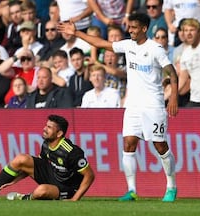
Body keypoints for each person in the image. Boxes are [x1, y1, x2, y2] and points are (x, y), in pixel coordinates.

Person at [58, 12, 179, 201]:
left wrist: (173, 99)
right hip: (133, 105)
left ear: (144, 29)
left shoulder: (156, 49)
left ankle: (171, 187)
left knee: (160, 145)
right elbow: (101, 43)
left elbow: (172, 72)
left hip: (153, 105)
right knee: (128, 144)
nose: (130, 30)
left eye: (134, 27)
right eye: (129, 26)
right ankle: (131, 190)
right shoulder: (128, 45)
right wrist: (76, 33)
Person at [0, 114, 95, 201]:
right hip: (52, 175)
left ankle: (25, 198)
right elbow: (39, 166)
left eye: (49, 128)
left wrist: (74, 199)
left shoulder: (71, 152)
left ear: (59, 133)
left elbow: (90, 175)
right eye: (46, 125)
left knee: (41, 191)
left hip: (68, 187)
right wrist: (16, 180)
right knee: (21, 159)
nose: (44, 129)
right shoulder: (47, 143)